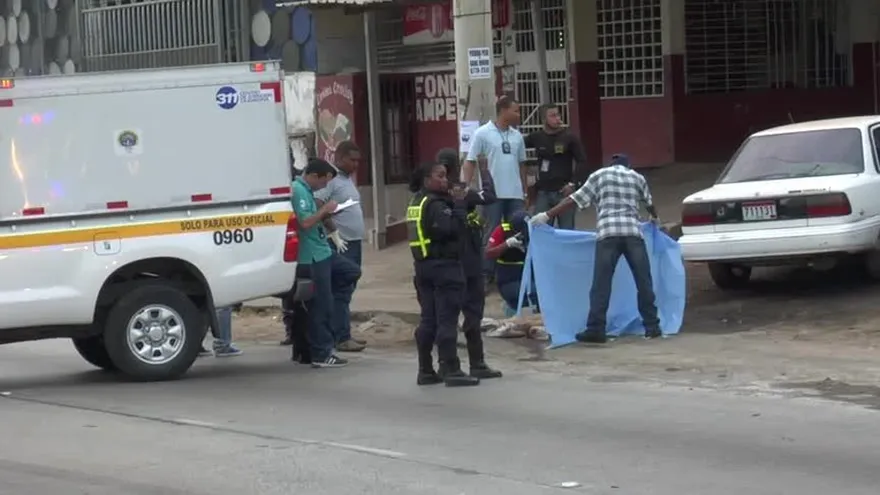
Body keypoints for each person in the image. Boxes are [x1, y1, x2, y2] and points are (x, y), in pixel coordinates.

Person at [530, 153, 663, 343]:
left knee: (601, 283)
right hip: (633, 233)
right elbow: (649, 204)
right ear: (628, 165)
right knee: (643, 281)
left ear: (612, 164)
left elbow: (573, 200)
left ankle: (596, 329)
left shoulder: (599, 175)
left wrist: (546, 215)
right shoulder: (637, 177)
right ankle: (653, 326)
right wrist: (655, 219)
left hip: (608, 234)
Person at [407, 160, 480, 387]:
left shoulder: (417, 201)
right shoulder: (437, 205)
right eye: (440, 175)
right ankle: (451, 368)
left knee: (428, 319)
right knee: (446, 320)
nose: (445, 180)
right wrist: (458, 204)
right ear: (426, 179)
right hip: (444, 267)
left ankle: (425, 370)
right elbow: (451, 230)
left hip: (423, 267)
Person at [436, 148, 502, 380]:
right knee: (472, 314)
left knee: (447, 317)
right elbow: (490, 196)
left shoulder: (433, 197)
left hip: (449, 264)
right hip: (469, 263)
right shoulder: (463, 193)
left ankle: (447, 364)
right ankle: (475, 363)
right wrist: (484, 170)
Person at [291, 157, 350, 368]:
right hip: (311, 256)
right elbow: (305, 222)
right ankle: (321, 352)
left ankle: (306, 349)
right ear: (314, 176)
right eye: (323, 182)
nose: (324, 187)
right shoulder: (298, 191)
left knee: (349, 273)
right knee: (320, 306)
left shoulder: (306, 191)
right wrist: (325, 211)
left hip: (321, 252)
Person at [461, 95, 528, 280]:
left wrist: (525, 190)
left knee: (517, 232)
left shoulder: (517, 136)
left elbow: (523, 164)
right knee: (491, 232)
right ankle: (486, 274)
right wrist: (465, 188)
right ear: (503, 111)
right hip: (492, 195)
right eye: (515, 110)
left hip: (515, 195)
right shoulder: (482, 133)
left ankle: (514, 272)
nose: (518, 114)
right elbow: (470, 162)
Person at [313, 140, 368, 353]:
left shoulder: (346, 180)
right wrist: (332, 231)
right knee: (341, 290)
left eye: (358, 161)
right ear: (339, 158)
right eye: (352, 160)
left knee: (347, 287)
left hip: (353, 243)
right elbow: (318, 205)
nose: (356, 164)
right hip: (339, 243)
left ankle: (342, 333)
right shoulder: (332, 179)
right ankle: (341, 336)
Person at [524, 103, 589, 230]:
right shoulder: (536, 137)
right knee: (540, 230)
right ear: (543, 119)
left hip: (564, 193)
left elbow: (582, 161)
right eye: (553, 116)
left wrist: (573, 184)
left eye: (558, 115)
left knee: (567, 231)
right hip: (543, 192)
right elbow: (517, 146)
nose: (557, 118)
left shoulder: (569, 137)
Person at [484, 211, 539, 315]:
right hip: (509, 279)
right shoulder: (502, 230)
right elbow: (488, 253)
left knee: (546, 294)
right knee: (534, 292)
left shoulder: (533, 231)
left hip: (529, 275)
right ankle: (511, 306)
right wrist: (507, 244)